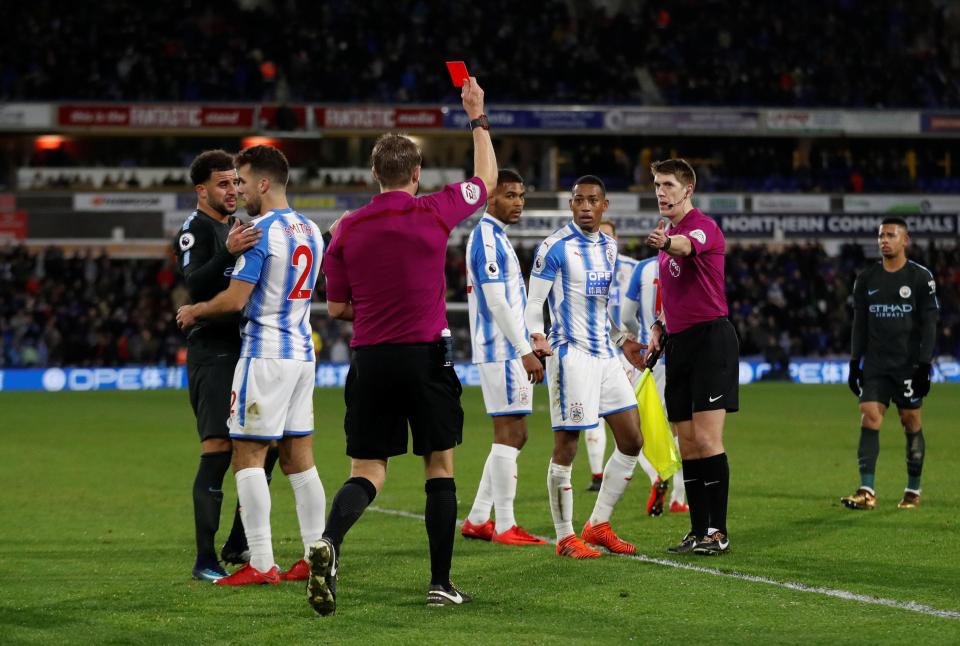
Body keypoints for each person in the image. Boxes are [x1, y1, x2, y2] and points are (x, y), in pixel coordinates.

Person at [309, 76, 497, 614]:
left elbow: (339, 309)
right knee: (439, 465)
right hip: (424, 355)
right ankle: (440, 583)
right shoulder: (436, 209)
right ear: (416, 174)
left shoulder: (344, 230)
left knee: (366, 470)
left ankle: (331, 542)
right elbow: (486, 178)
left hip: (370, 359)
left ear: (373, 174)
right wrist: (476, 115)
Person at [176, 144, 327, 585]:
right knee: (300, 459)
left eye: (241, 181)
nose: (238, 191)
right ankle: (315, 553)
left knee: (246, 454)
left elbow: (236, 299)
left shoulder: (260, 232)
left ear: (263, 183)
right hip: (302, 355)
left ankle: (260, 562)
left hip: (263, 355)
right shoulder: (311, 230)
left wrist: (196, 312)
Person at [524, 175, 647, 560]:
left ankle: (598, 524)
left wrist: (622, 339)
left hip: (605, 356)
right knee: (568, 446)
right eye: (579, 201)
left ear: (604, 205)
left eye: (593, 201)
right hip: (571, 355)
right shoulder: (554, 247)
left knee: (632, 440)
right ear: (572, 205)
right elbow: (533, 302)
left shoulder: (610, 247)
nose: (586, 207)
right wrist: (535, 336)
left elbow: (601, 305)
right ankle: (565, 537)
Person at [174, 149, 272, 582]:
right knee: (216, 452)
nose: (233, 190)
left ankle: (238, 541)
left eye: (236, 182)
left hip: (244, 349)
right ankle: (204, 560)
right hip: (212, 354)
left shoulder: (236, 226)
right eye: (223, 184)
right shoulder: (196, 228)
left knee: (264, 448)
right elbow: (193, 283)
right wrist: (226, 252)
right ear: (202, 189)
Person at [644, 158, 738, 556]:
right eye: (656, 185)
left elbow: (686, 248)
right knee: (686, 443)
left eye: (667, 185)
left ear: (688, 190)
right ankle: (698, 528)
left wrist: (666, 243)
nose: (661, 192)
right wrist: (659, 325)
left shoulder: (701, 226)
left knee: (706, 438)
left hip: (711, 340)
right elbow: (673, 291)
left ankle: (718, 530)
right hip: (678, 343)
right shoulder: (669, 231)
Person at [461, 169, 546, 547]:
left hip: (506, 347)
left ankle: (480, 517)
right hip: (502, 350)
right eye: (510, 195)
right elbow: (495, 300)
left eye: (522, 195)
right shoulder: (487, 238)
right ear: (489, 198)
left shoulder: (496, 236)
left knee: (515, 433)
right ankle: (505, 524)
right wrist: (524, 350)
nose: (519, 203)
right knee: (510, 433)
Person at [842, 218, 939, 510]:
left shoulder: (921, 278)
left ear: (904, 240)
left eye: (891, 235)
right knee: (869, 415)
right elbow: (859, 325)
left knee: (911, 422)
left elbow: (931, 323)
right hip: (875, 365)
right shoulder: (866, 279)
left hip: (908, 365)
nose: (884, 240)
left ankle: (912, 489)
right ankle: (866, 490)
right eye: (881, 235)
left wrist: (924, 365)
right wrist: (854, 362)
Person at [620, 248, 688, 516]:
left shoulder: (642, 268)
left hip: (653, 360)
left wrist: (639, 337)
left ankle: (655, 475)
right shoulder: (689, 263)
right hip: (685, 356)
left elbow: (626, 315)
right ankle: (679, 499)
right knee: (681, 427)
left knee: (640, 427)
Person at [580, 220, 640, 493]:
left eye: (607, 236)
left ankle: (645, 472)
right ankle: (597, 474)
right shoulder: (583, 267)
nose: (602, 241)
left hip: (625, 351)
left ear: (616, 239)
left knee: (630, 416)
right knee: (593, 414)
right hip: (593, 349)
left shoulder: (632, 268)